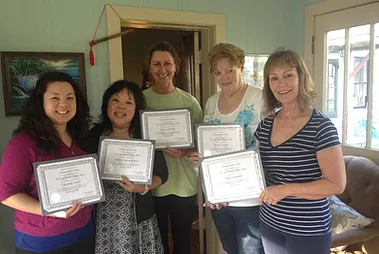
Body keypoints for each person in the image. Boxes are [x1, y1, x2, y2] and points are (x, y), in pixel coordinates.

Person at [254, 48, 346, 254]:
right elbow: (254, 169)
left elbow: (337, 184)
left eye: (288, 75)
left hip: (308, 228)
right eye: (274, 78)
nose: (281, 84)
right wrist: (223, 191)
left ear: (301, 78)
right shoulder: (266, 125)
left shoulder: (321, 127)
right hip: (271, 221)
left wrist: (285, 189)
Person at [0, 71, 94, 254]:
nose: (63, 104)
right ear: (40, 102)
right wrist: (49, 211)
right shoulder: (23, 144)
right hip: (41, 240)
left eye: (70, 97)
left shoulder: (80, 137)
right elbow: (5, 194)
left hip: (84, 232)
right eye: (55, 97)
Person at [189, 43, 264, 254]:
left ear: (241, 66)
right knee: (230, 248)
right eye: (218, 72)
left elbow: (273, 144)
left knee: (252, 251)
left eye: (230, 70)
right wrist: (200, 157)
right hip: (218, 197)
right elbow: (209, 143)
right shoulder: (212, 102)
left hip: (250, 196)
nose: (224, 77)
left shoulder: (260, 98)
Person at [84, 80, 168, 254]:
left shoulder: (145, 135)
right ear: (106, 105)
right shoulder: (93, 136)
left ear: (136, 108)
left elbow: (162, 174)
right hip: (104, 219)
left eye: (128, 102)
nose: (121, 107)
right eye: (115, 100)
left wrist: (143, 187)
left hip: (138, 217)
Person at [143, 41, 203, 254]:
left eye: (167, 63)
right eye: (157, 64)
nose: (162, 70)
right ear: (149, 67)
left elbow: (201, 144)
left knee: (183, 242)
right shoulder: (140, 100)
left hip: (183, 184)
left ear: (176, 66)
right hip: (152, 186)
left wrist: (186, 152)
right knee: (156, 244)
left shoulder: (190, 102)